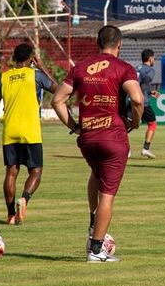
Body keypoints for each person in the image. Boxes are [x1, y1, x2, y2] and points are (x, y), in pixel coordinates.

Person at [51, 25, 142, 262]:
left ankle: (93, 222)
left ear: (97, 44)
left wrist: (74, 126)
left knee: (95, 173)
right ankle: (96, 250)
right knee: (108, 195)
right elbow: (137, 98)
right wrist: (137, 120)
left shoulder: (80, 68)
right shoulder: (124, 68)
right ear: (119, 45)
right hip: (113, 137)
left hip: (88, 138)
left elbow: (57, 100)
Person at [0, 43, 57, 225]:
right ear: (31, 58)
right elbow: (58, 88)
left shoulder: (4, 77)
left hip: (10, 131)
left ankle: (10, 216)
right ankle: (24, 200)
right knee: (36, 172)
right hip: (30, 131)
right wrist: (42, 67)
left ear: (14, 58)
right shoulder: (35, 75)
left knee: (11, 172)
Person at [137, 50, 160, 159]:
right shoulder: (150, 70)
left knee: (127, 125)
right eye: (153, 58)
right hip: (143, 102)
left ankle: (125, 150)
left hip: (131, 99)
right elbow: (145, 82)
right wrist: (142, 94)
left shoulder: (137, 68)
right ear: (150, 58)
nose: (154, 60)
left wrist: (150, 92)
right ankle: (146, 149)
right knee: (152, 124)